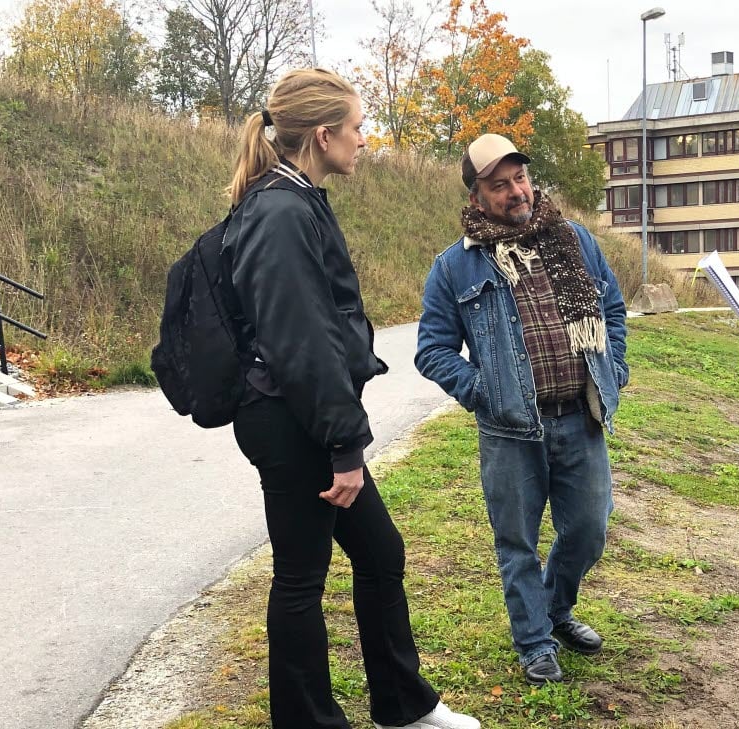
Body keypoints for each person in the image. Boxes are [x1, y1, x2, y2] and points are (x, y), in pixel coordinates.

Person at [222, 68, 479, 729]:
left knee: (380, 553)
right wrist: (344, 446)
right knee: (301, 578)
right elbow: (303, 342)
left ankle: (402, 705)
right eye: (359, 128)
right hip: (291, 420)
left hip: (302, 414)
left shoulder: (295, 198)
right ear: (324, 134)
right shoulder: (281, 212)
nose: (365, 140)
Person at [414, 134, 629, 686]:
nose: (516, 191)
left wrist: (616, 367)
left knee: (589, 530)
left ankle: (555, 609)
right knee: (517, 542)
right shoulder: (454, 267)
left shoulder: (574, 239)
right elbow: (432, 350)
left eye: (520, 178)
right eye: (499, 185)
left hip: (580, 416)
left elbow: (611, 306)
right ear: (477, 196)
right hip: (510, 430)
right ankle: (534, 641)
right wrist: (484, 391)